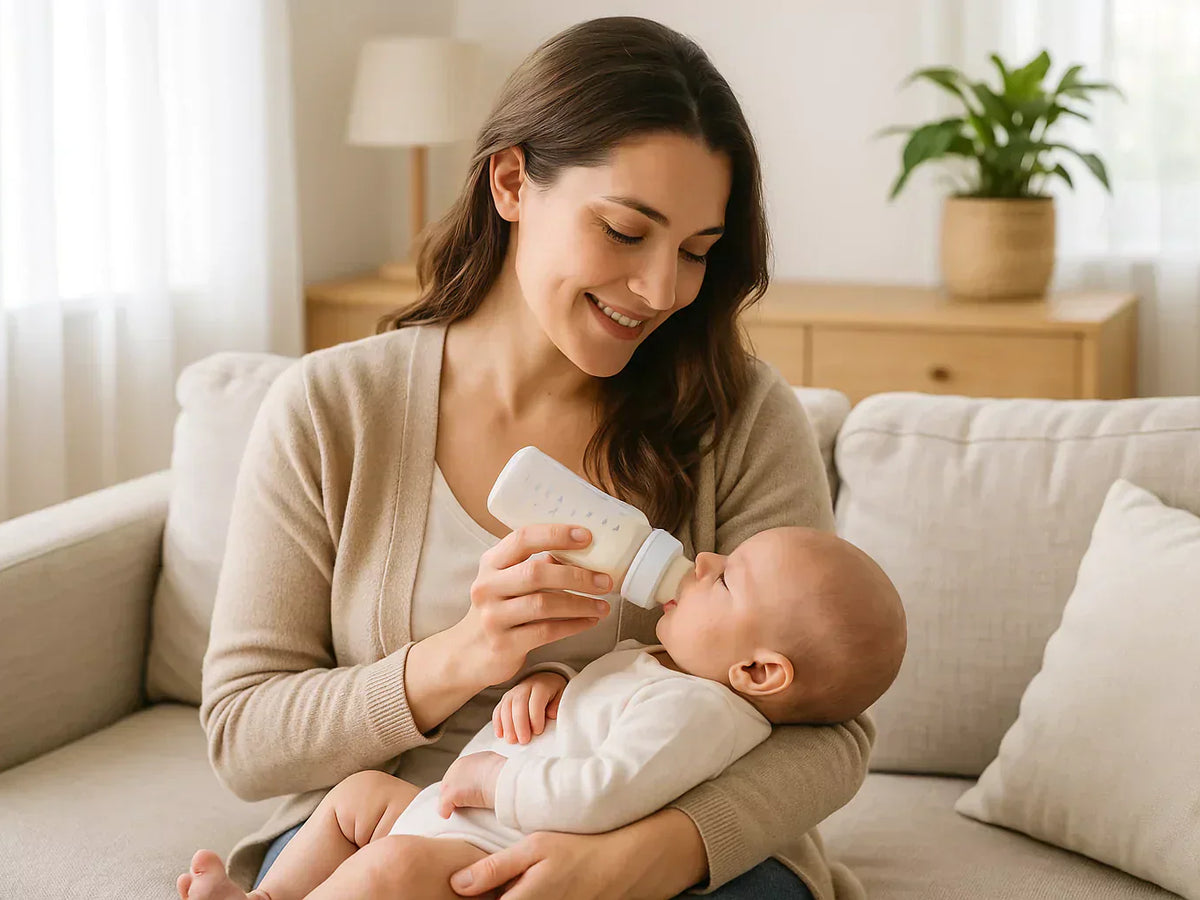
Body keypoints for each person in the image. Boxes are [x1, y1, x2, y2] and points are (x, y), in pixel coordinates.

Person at [199, 15, 878, 900]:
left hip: (656, 847)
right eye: (627, 232)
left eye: (697, 253)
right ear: (512, 182)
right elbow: (246, 735)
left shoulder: (740, 414)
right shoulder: (334, 411)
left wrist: (648, 855)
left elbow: (831, 730)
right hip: (402, 830)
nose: (662, 289)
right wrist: (461, 656)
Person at [180, 528, 905, 900]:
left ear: (757, 671)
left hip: (503, 852)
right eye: (622, 231)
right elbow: (596, 709)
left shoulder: (702, 711)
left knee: (392, 865)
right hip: (455, 812)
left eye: (725, 578)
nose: (705, 558)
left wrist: (498, 783)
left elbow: (603, 791)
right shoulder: (665, 662)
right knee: (359, 798)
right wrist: (549, 683)